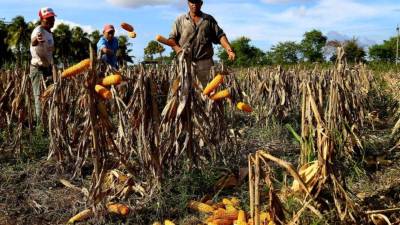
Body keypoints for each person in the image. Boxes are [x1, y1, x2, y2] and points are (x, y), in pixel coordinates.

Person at [168, 0, 235, 85]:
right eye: (192, 2)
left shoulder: (208, 20)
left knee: (207, 92)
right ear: (188, 3)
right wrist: (178, 50)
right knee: (184, 93)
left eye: (197, 2)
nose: (194, 5)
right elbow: (171, 39)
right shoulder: (180, 20)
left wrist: (228, 49)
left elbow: (220, 35)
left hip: (205, 64)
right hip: (185, 63)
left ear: (201, 3)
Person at [30, 7, 56, 124]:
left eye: (52, 18)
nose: (51, 20)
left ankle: (48, 122)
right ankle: (40, 125)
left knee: (49, 96)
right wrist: (36, 40)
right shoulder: (38, 31)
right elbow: (34, 41)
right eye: (48, 19)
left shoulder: (49, 33)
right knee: (39, 97)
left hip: (47, 68)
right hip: (38, 69)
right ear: (42, 19)